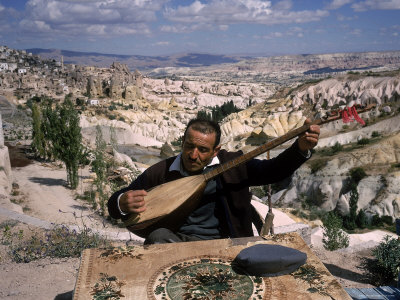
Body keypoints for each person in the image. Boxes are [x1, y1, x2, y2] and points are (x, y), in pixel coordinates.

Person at [108, 118, 320, 244]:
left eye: (202, 150)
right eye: (189, 146)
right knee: (158, 236)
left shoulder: (234, 164)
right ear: (182, 142)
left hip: (229, 241)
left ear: (215, 150)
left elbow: (272, 171)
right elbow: (117, 201)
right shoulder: (162, 171)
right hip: (179, 242)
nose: (193, 155)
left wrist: (300, 149)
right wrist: (121, 203)